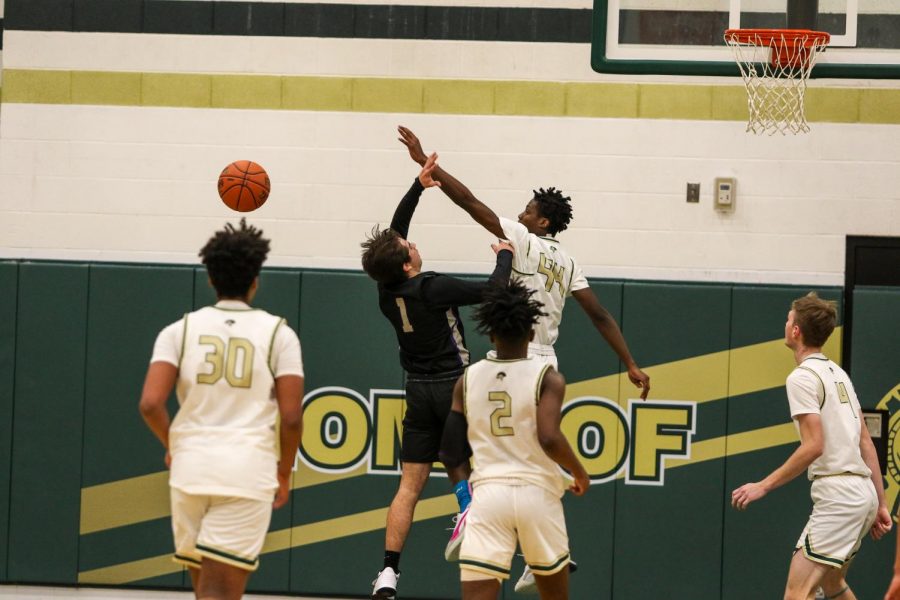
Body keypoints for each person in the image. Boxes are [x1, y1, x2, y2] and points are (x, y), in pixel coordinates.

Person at [398, 125, 649, 591]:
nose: (521, 212)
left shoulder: (524, 239)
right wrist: (630, 363)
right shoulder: (569, 260)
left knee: (491, 457)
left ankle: (470, 518)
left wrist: (427, 168)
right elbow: (598, 314)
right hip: (545, 362)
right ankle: (539, 553)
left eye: (529, 210)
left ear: (542, 223)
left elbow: (472, 202)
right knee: (529, 460)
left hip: (511, 359)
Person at [361, 154, 514, 600]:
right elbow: (495, 292)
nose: (412, 244)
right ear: (408, 263)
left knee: (409, 485)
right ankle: (468, 515)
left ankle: (388, 572)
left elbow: (393, 237)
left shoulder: (387, 290)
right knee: (470, 467)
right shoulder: (431, 286)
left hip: (416, 389)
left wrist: (418, 186)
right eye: (408, 247)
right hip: (455, 387)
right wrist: (504, 255)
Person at [139, 219, 304, 600]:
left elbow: (150, 403)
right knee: (219, 592)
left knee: (205, 588)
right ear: (255, 279)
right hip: (247, 472)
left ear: (211, 279)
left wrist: (174, 443)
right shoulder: (279, 334)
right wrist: (283, 472)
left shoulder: (178, 331)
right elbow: (292, 417)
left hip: (189, 470)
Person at [731, 292, 892, 600]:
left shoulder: (802, 378)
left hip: (839, 497)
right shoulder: (840, 375)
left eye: (789, 318)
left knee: (797, 593)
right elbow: (865, 443)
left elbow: (814, 446)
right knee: (832, 585)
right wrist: (880, 504)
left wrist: (763, 486)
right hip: (863, 496)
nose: (786, 322)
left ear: (796, 331)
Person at [439, 279, 590, 600]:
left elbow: (450, 452)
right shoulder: (548, 377)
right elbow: (548, 437)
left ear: (491, 334)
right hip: (537, 494)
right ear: (532, 332)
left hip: (488, 497)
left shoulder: (466, 380)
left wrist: (465, 498)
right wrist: (579, 471)